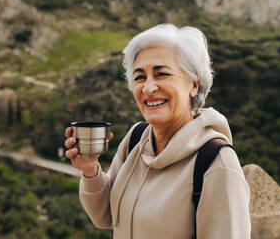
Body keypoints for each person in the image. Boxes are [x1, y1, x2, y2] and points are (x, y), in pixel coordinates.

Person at [64, 24, 251, 239]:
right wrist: (90, 170)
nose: (148, 88)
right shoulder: (136, 138)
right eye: (140, 77)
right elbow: (105, 215)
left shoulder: (217, 164)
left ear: (194, 85)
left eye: (161, 74)